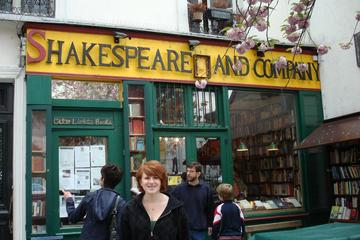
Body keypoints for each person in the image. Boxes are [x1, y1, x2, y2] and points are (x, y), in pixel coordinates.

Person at [120, 160, 189, 240]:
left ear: (161, 181)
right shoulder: (130, 209)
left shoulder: (176, 209)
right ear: (140, 182)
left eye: (156, 178)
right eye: (147, 178)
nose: (151, 182)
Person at [62, 164, 125, 240]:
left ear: (103, 179)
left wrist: (69, 200)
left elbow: (73, 218)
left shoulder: (91, 196)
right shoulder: (120, 202)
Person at [172, 162, 214, 240]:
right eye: (187, 171)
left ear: (198, 174)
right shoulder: (178, 189)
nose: (188, 173)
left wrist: (210, 225)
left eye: (191, 171)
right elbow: (173, 208)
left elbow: (210, 209)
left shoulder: (206, 189)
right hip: (183, 229)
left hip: (199, 229)